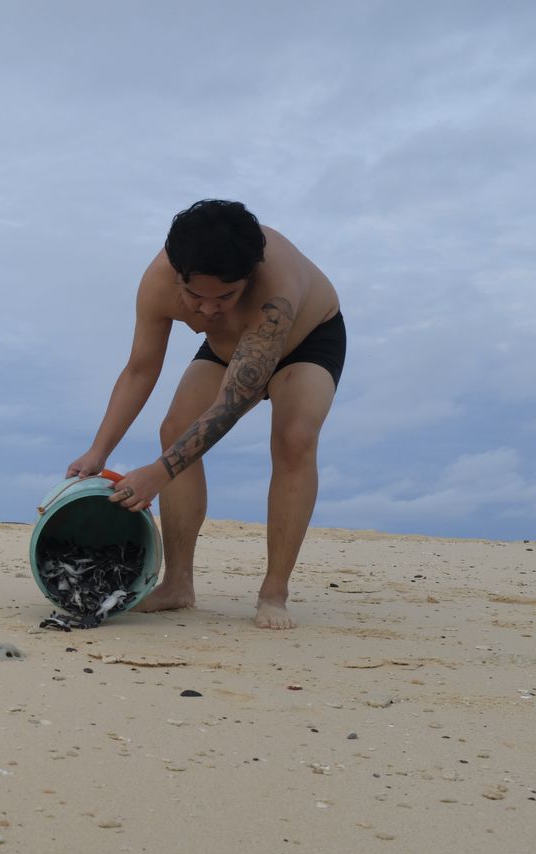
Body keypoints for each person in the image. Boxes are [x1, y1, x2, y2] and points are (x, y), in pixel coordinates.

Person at [67, 200, 345, 629]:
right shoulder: (157, 283)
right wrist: (98, 452)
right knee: (175, 428)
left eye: (226, 297)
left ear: (249, 276)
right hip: (227, 347)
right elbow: (141, 368)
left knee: (294, 438)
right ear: (177, 273)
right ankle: (178, 584)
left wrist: (161, 472)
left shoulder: (276, 290)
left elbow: (230, 405)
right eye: (194, 296)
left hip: (307, 342)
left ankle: (274, 592)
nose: (209, 309)